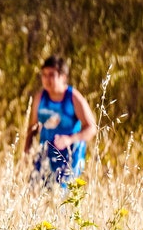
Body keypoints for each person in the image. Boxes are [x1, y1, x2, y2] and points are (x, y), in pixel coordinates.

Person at [24, 55, 97, 188]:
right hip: (45, 153)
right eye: (44, 74)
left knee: (61, 199)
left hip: (69, 157)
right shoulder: (40, 98)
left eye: (51, 74)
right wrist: (26, 151)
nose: (47, 79)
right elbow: (33, 127)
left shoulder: (73, 98)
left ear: (63, 77)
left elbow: (91, 128)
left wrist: (69, 139)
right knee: (35, 191)